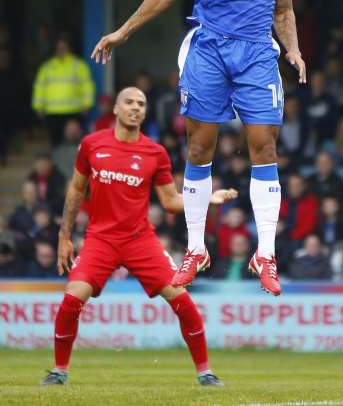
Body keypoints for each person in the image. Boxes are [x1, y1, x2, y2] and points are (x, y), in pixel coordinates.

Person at [90, 0, 305, 295]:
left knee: (265, 146)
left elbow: (283, 11)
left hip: (258, 54)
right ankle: (195, 249)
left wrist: (293, 49)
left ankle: (266, 253)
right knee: (199, 147)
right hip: (208, 51)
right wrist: (124, 30)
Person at [40, 87, 236, 386]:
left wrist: (208, 197)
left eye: (141, 104)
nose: (135, 108)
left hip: (139, 240)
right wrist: (64, 236)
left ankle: (205, 372)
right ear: (116, 109)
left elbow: (170, 201)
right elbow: (77, 190)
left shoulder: (154, 152)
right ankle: (59, 372)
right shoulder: (92, 145)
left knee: (182, 301)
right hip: (100, 240)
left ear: (145, 113)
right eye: (129, 102)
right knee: (70, 301)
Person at [32, 38, 95, 146]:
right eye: (58, 48)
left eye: (63, 47)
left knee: (73, 142)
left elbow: (87, 86)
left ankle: (74, 162)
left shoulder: (79, 65)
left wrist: (87, 104)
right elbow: (39, 88)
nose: (61, 50)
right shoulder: (47, 67)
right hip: (52, 112)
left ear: (69, 48)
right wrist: (38, 106)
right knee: (55, 143)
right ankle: (57, 162)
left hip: (73, 111)